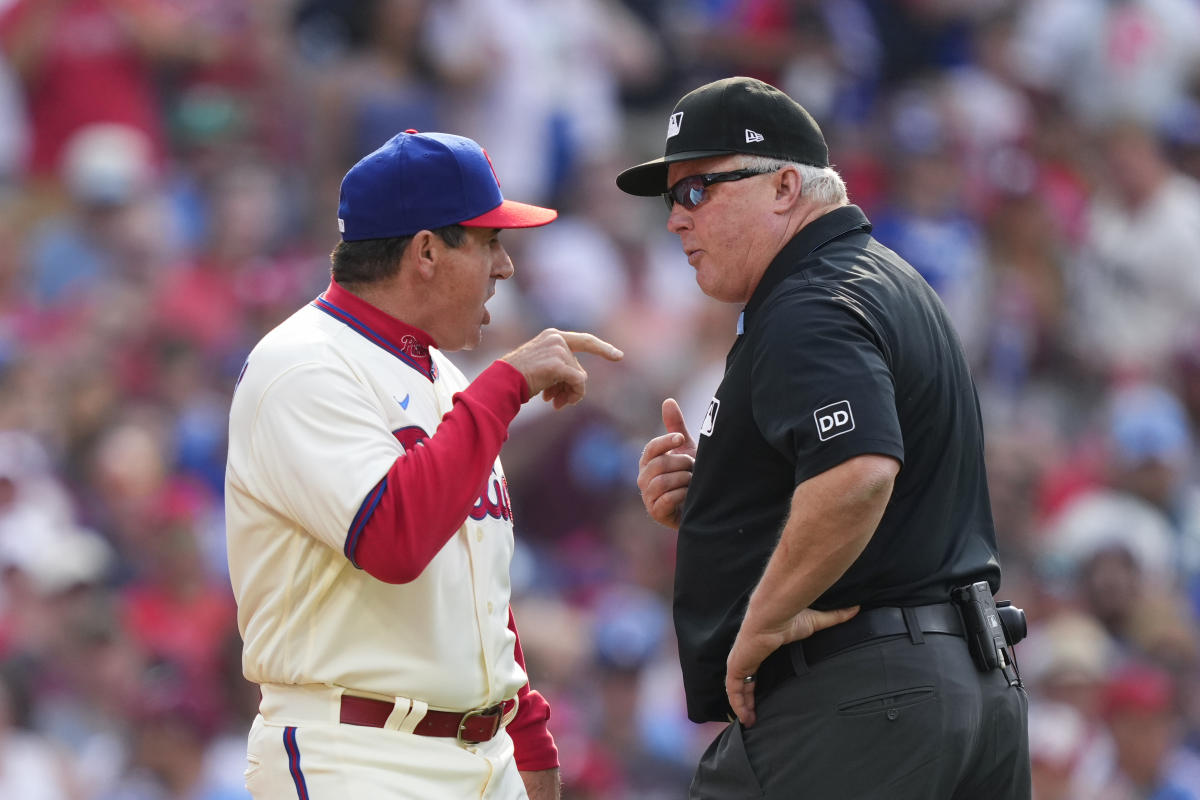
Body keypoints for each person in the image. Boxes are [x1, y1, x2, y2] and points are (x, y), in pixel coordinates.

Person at [621, 76, 1030, 798]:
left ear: (784, 187)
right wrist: (722, 502)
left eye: (696, 192)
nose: (675, 221)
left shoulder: (807, 300)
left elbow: (859, 473)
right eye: (670, 200)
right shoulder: (884, 281)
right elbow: (873, 487)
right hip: (962, 690)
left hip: (867, 700)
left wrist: (763, 619)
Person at [225, 129, 623, 800]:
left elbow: (479, 593)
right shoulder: (301, 364)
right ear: (428, 251)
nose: (506, 266)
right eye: (490, 241)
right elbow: (393, 539)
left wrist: (529, 740)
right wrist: (505, 387)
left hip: (482, 757)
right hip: (355, 753)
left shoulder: (445, 377)